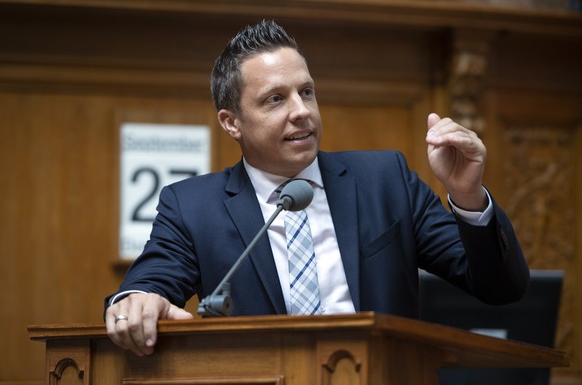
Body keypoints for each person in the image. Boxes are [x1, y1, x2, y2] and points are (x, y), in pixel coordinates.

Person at [105, 19, 529, 357]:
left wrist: (469, 195)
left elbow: (499, 288)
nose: (302, 112)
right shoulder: (194, 207)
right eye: (276, 99)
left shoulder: (386, 180)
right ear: (231, 122)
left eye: (306, 92)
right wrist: (138, 299)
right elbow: (151, 282)